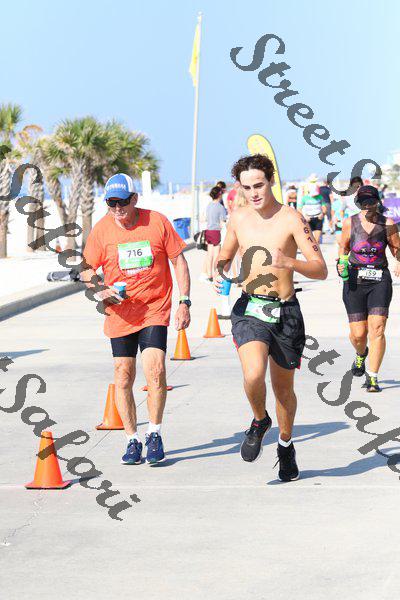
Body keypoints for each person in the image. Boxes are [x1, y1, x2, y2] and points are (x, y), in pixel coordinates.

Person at [213, 154, 327, 482]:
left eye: (259, 185)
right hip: (250, 308)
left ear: (271, 181)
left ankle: (285, 445)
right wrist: (221, 269)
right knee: (253, 374)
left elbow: (320, 269)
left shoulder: (291, 218)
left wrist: (290, 263)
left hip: (286, 312)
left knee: (283, 391)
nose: (253, 193)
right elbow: (225, 255)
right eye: (247, 187)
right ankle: (260, 420)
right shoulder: (238, 218)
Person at [82, 173, 191, 465]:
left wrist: (184, 302)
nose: (117, 208)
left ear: (134, 199)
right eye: (111, 203)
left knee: (155, 370)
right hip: (119, 313)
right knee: (123, 374)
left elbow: (179, 260)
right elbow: (87, 269)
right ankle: (132, 439)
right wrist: (100, 288)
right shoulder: (102, 230)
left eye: (122, 202)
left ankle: (154, 433)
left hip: (154, 308)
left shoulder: (157, 222)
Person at [338, 185, 400, 392]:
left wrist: (399, 261)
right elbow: (344, 247)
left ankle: (372, 377)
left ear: (377, 202)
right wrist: (341, 263)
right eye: (363, 202)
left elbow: (397, 248)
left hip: (379, 280)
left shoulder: (388, 224)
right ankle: (361, 353)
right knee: (358, 334)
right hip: (354, 281)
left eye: (371, 201)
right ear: (358, 203)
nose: (367, 206)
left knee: (378, 328)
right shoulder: (350, 223)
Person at [205, 186, 227, 280]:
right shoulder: (220, 207)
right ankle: (215, 274)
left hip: (208, 231)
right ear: (219, 194)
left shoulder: (209, 205)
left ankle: (209, 274)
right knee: (216, 255)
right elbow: (223, 221)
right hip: (216, 232)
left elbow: (206, 218)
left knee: (209, 254)